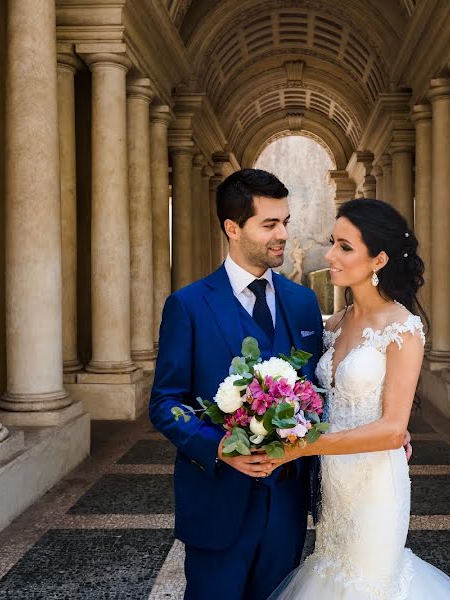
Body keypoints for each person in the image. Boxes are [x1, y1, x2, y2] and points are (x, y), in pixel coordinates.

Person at [266, 198, 450, 600]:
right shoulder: (336, 322)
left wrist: (303, 446)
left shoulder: (402, 329)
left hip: (376, 484)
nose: (330, 255)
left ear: (379, 259)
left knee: (368, 584)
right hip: (333, 484)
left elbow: (393, 429)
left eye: (345, 247)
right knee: (331, 574)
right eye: (333, 242)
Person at [149, 169, 323, 600]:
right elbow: (166, 402)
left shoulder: (303, 304)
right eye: (269, 224)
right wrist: (221, 448)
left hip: (286, 507)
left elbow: (322, 392)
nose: (282, 234)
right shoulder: (187, 306)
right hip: (216, 505)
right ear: (232, 228)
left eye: (284, 221)